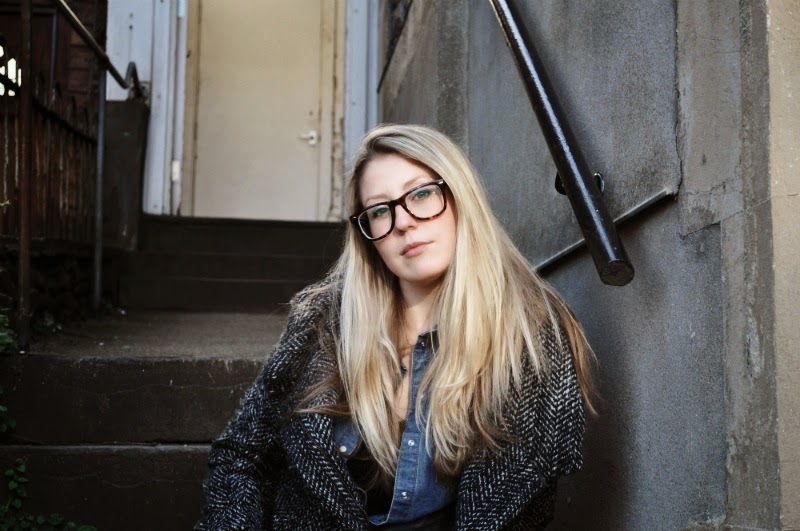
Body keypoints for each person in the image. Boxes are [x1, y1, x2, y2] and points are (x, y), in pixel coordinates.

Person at [197, 124, 595, 530]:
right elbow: (242, 454)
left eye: (421, 194)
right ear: (368, 236)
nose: (403, 222)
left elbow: (521, 511)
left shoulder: (532, 335)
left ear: (461, 197)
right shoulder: (323, 321)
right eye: (380, 211)